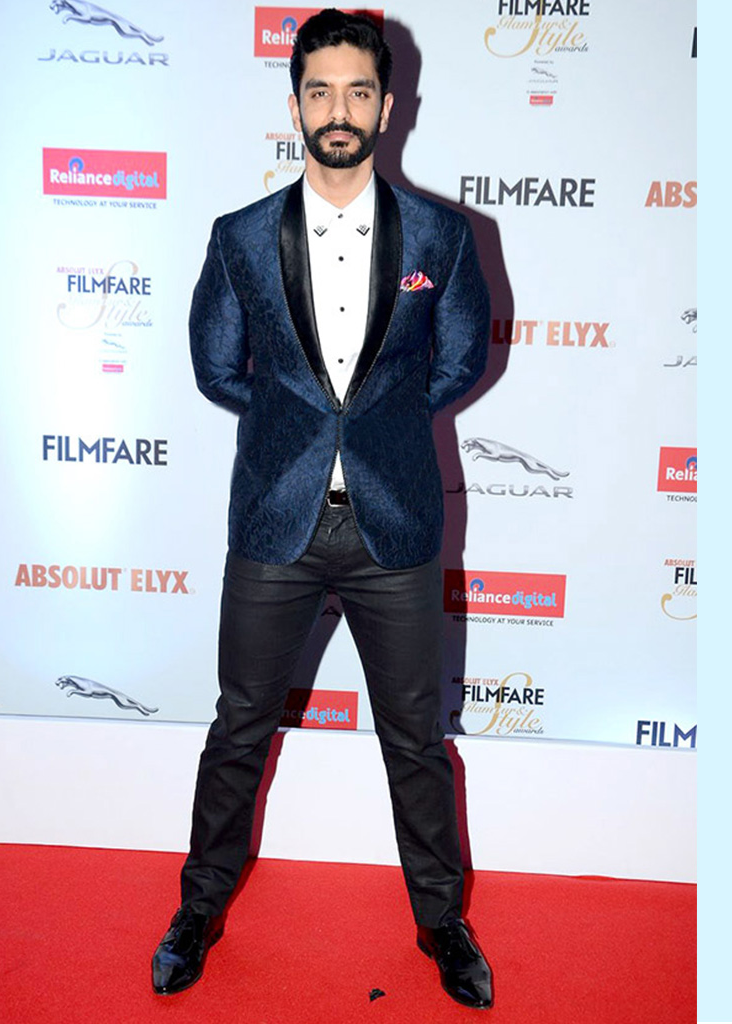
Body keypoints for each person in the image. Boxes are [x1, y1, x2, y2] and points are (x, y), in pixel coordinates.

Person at [152, 8, 492, 1010]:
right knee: (238, 729)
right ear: (295, 104)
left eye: (357, 91)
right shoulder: (240, 236)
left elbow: (459, 359)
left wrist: (375, 425)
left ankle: (441, 922)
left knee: (415, 741)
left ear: (387, 107)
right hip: (276, 521)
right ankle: (197, 909)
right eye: (319, 90)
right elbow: (216, 366)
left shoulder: (442, 235)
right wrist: (302, 426)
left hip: (395, 526)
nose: (338, 110)